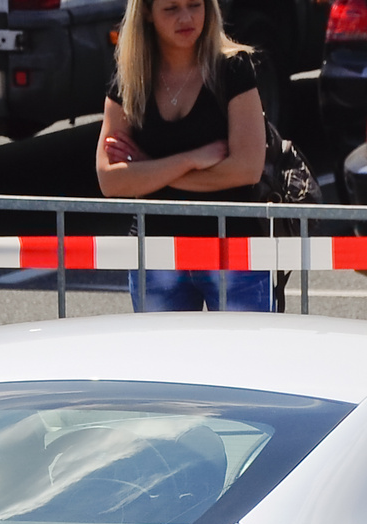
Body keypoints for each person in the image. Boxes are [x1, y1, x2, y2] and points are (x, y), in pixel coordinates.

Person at [95, 0, 270, 312]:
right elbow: (110, 180)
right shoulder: (131, 78)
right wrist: (191, 159)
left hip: (232, 251)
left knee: (244, 360)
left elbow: (246, 169)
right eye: (171, 8)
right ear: (147, 13)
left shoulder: (233, 68)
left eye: (194, 5)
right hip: (156, 253)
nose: (186, 17)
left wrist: (148, 173)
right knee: (163, 361)